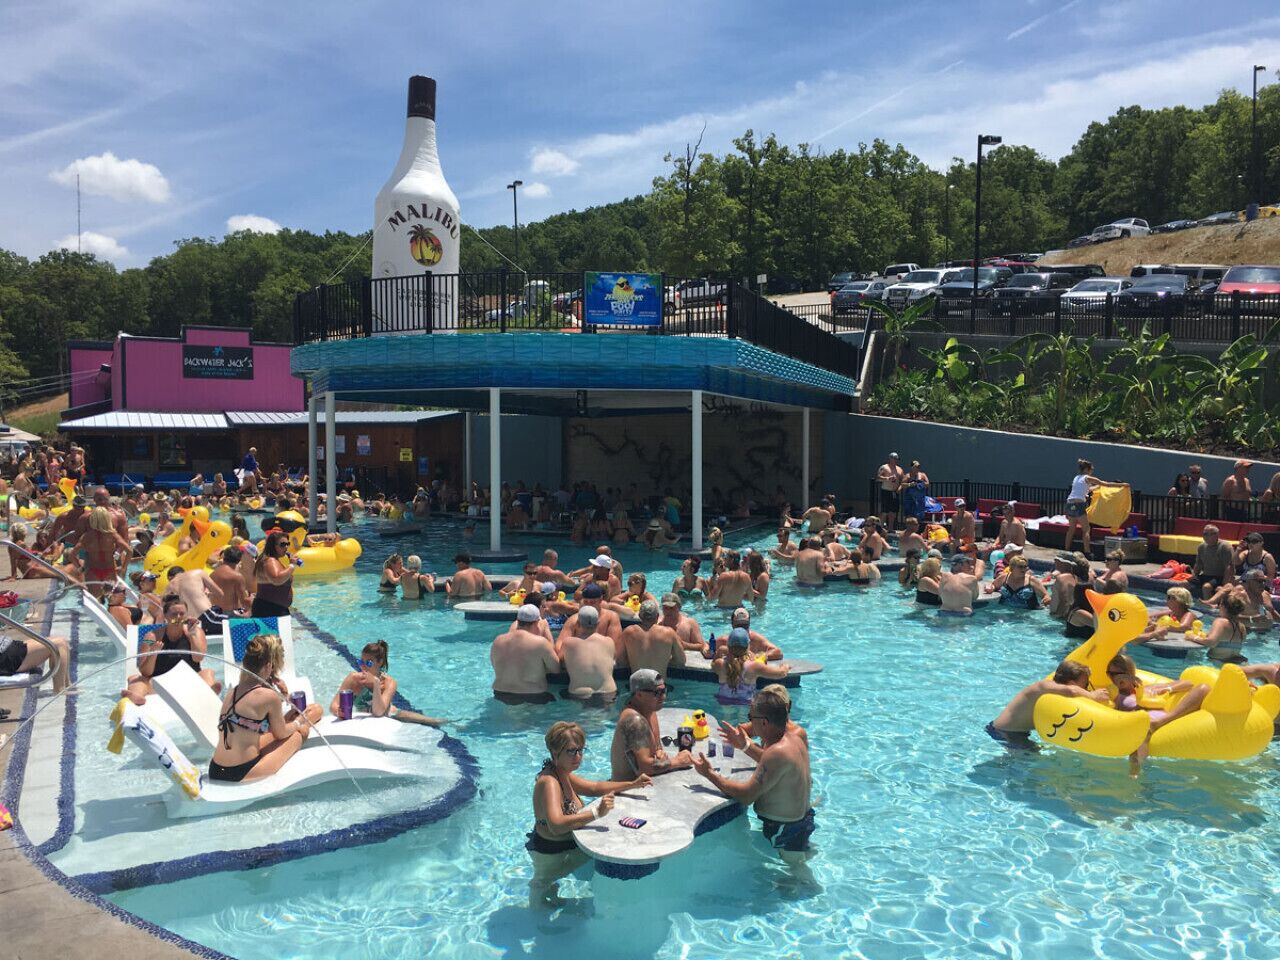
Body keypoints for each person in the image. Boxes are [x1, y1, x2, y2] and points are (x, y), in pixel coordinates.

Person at [528, 720, 651, 901]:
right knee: (541, 893)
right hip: (551, 853)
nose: (578, 756)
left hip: (568, 847)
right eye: (571, 751)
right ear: (555, 752)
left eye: (580, 750)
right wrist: (596, 813)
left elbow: (594, 787)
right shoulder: (549, 782)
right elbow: (556, 825)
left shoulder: (563, 773)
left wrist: (632, 784)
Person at [693, 687, 814, 855]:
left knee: (793, 879)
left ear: (764, 722)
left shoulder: (776, 752)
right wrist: (745, 744)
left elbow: (746, 796)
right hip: (797, 823)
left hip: (785, 830)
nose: (749, 721)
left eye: (751, 717)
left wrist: (709, 774)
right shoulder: (795, 738)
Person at [208, 633, 321, 783]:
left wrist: (283, 697)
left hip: (215, 769)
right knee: (302, 730)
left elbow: (253, 722)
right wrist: (298, 722)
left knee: (291, 725)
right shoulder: (268, 695)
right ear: (268, 666)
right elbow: (280, 734)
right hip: (241, 771)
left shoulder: (233, 691)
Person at [1106, 653, 1210, 774]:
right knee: (1144, 729)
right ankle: (1135, 770)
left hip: (1164, 717)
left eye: (1117, 674)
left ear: (1129, 673)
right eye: (1110, 674)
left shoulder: (1148, 688)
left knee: (1204, 688)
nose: (1113, 678)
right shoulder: (1115, 695)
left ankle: (1161, 722)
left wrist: (1166, 689)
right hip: (1145, 723)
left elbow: (1188, 683)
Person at [987, 659, 1110, 750]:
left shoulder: (1055, 693)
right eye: (1085, 684)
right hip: (1004, 732)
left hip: (1016, 732)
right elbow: (1072, 690)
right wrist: (1093, 696)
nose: (1086, 688)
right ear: (1072, 682)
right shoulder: (1044, 686)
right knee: (1032, 757)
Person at [123, 597, 220, 705]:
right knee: (136, 679)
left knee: (207, 673)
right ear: (165, 616)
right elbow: (145, 672)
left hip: (189, 683)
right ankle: (137, 698)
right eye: (174, 614)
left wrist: (192, 635)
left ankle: (209, 695)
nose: (178, 617)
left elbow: (198, 658)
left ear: (186, 615)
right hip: (160, 684)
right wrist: (153, 654)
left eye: (182, 614)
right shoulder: (151, 637)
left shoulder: (196, 632)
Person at [329, 640, 444, 725]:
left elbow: (378, 712)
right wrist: (340, 712)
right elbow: (333, 706)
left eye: (368, 663)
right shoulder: (353, 679)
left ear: (380, 662)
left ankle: (455, 724)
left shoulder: (389, 682)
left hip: (391, 714)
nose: (363, 667)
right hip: (368, 720)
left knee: (433, 722)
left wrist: (375, 684)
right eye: (360, 662)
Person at [609, 669, 693, 779]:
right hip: (625, 790)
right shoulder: (635, 721)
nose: (663, 697)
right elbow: (644, 768)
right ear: (639, 694)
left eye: (664, 691)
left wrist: (659, 752)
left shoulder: (650, 710)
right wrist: (677, 761)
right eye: (657, 693)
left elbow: (657, 748)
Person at [490, 605, 560, 705]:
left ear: (517, 621)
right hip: (532, 695)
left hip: (500, 694)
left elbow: (494, 665)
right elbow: (555, 669)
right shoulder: (540, 643)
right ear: (536, 622)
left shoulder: (498, 640)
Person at [555, 606, 618, 702]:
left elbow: (559, 663)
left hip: (579, 694)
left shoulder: (568, 643)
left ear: (578, 623)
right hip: (609, 692)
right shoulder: (609, 642)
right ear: (598, 623)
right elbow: (613, 660)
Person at [713, 628, 790, 704]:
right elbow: (780, 674)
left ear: (728, 645)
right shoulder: (754, 666)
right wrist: (785, 667)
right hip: (746, 703)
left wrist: (719, 651)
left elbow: (713, 665)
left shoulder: (720, 664)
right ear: (748, 645)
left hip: (723, 701)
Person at [75, 506, 133, 597]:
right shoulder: (112, 534)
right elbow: (129, 550)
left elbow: (71, 555)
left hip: (93, 571)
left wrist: (80, 568)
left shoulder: (87, 536)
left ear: (92, 519)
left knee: (96, 602)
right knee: (112, 601)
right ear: (107, 518)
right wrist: (123, 567)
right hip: (110, 570)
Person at [619, 599, 686, 675]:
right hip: (657, 682)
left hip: (637, 683)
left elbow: (620, 660)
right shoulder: (669, 633)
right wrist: (664, 661)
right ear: (657, 616)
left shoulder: (628, 632)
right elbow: (681, 661)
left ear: (640, 616)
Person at [0, 629, 71, 694]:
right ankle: (59, 690)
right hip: (5, 656)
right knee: (59, 644)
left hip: (7, 647)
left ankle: (68, 685)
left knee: (62, 641)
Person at [1064, 458, 1109, 555]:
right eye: (1091, 470)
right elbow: (1103, 483)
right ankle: (1087, 552)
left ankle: (1066, 550)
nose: (1092, 472)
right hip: (1079, 504)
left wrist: (1098, 487)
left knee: (1071, 529)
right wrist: (1121, 485)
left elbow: (1087, 490)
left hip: (1070, 504)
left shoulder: (1076, 478)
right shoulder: (1087, 477)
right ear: (1086, 470)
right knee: (1086, 529)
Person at [168, 564, 228, 636]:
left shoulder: (168, 588)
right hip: (208, 616)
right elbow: (220, 593)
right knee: (238, 624)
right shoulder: (198, 573)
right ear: (184, 572)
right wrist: (206, 595)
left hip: (192, 624)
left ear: (170, 578)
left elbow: (169, 617)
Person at [250, 530, 295, 618]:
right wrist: (292, 566)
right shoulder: (270, 561)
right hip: (269, 610)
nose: (286, 547)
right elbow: (277, 579)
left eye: (287, 544)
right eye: (282, 544)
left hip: (272, 609)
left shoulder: (271, 560)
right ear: (272, 546)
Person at [1196, 592, 1249, 664]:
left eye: (1219, 604)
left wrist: (1192, 637)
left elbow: (1211, 642)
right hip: (1237, 663)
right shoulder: (1242, 627)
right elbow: (1226, 641)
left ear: (1223, 607)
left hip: (1218, 663)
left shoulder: (1220, 622)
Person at [1191, 524, 1236, 601]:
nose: (1206, 536)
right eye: (1205, 534)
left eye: (1210, 534)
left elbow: (1229, 567)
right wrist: (1194, 576)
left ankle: (1209, 608)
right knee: (1183, 584)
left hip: (1219, 577)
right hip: (1205, 575)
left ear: (1217, 535)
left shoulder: (1224, 546)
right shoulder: (1201, 547)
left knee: (1206, 587)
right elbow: (1198, 564)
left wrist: (1224, 585)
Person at [209, 546, 251, 620]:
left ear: (224, 557)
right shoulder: (237, 576)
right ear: (239, 560)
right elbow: (244, 601)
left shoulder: (213, 574)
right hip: (231, 615)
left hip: (215, 614)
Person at [876, 452, 905, 531]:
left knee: (893, 512)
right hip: (886, 491)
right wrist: (887, 478)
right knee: (884, 511)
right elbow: (878, 477)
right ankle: (880, 529)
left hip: (894, 492)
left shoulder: (899, 469)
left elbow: (903, 481)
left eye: (897, 459)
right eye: (894, 459)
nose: (896, 461)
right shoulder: (884, 467)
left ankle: (890, 529)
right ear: (890, 459)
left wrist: (899, 488)